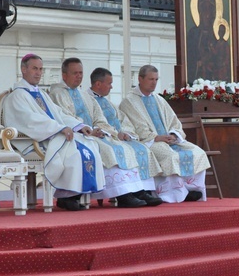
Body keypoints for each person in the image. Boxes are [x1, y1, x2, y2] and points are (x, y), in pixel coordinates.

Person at [50, 61, 163, 207]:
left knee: (127, 148)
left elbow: (99, 118)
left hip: (95, 135)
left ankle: (137, 189)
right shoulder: (56, 94)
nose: (79, 76)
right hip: (76, 136)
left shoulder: (85, 96)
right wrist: (86, 129)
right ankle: (121, 193)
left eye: (81, 73)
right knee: (111, 150)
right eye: (75, 73)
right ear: (64, 75)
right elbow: (63, 117)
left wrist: (102, 130)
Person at [1, 53, 105, 211]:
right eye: (34, 68)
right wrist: (60, 128)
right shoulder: (17, 95)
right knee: (74, 152)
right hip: (34, 141)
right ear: (23, 69)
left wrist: (78, 125)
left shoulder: (41, 94)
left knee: (89, 144)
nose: (38, 73)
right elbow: (29, 120)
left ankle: (75, 195)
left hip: (51, 135)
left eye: (41, 69)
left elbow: (59, 113)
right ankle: (66, 196)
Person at [119, 65, 210, 203]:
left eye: (156, 79)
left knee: (198, 152)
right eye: (150, 79)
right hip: (150, 142)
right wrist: (156, 137)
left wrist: (174, 135)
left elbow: (174, 121)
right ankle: (174, 194)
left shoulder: (159, 99)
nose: (154, 82)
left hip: (169, 140)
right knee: (170, 156)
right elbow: (136, 126)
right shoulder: (129, 101)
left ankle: (190, 189)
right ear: (140, 79)